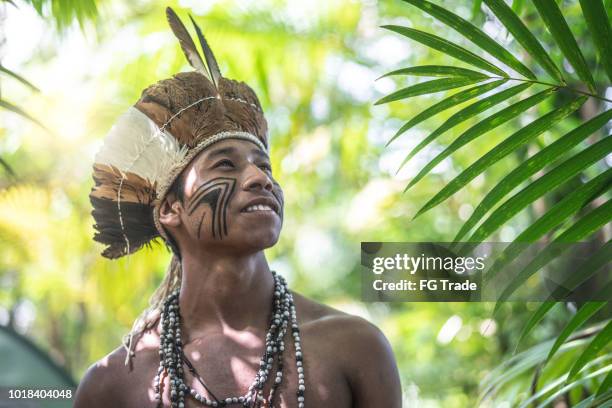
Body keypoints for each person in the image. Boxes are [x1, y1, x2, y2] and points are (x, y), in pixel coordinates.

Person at [73, 7, 401, 408]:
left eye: (265, 166)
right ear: (170, 209)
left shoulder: (354, 347)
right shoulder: (115, 384)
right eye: (226, 164)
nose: (259, 178)